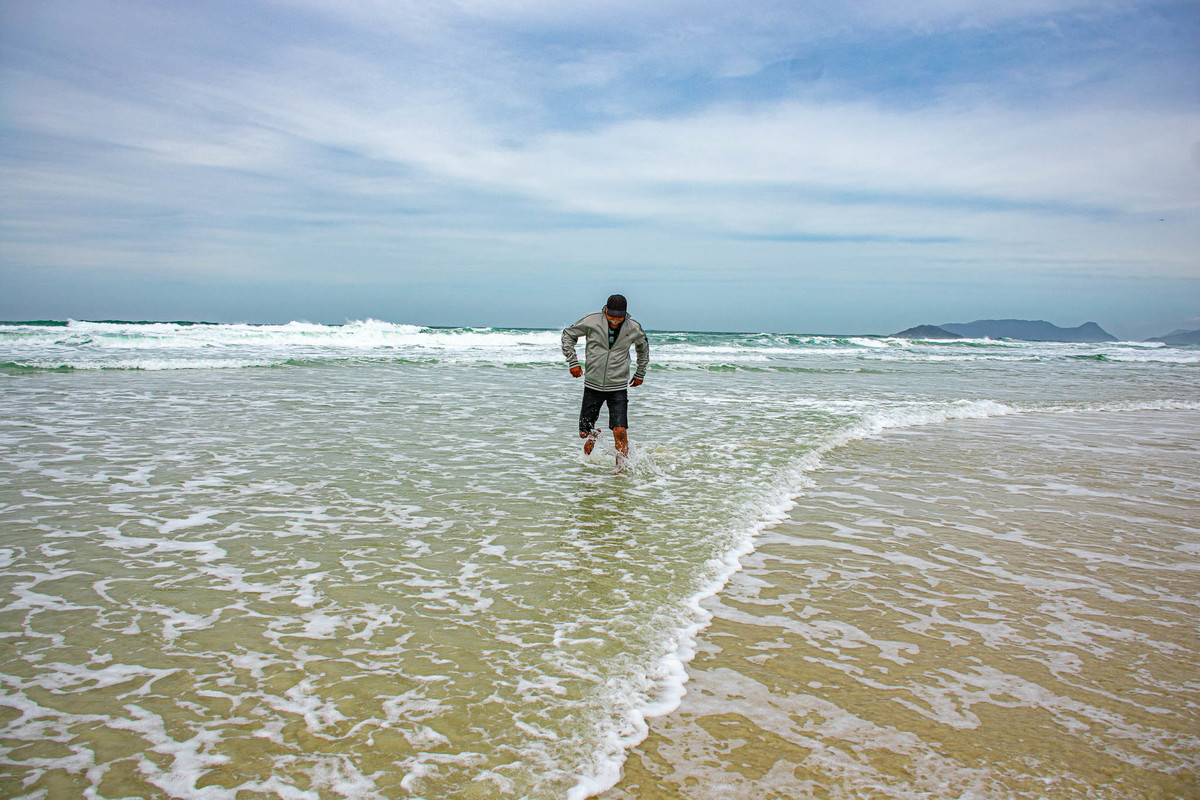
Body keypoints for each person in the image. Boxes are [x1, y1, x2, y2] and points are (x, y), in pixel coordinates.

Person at [561, 294, 650, 469]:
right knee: (584, 432)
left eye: (620, 317)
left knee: (620, 431)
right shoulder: (592, 321)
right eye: (612, 316)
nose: (616, 321)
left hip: (618, 386)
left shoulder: (633, 327)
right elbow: (568, 335)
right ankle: (594, 434)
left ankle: (620, 471)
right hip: (592, 384)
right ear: (606, 310)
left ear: (625, 314)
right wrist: (572, 362)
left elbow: (643, 348)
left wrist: (640, 373)